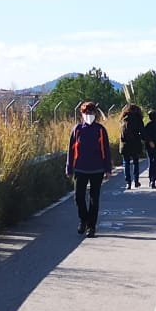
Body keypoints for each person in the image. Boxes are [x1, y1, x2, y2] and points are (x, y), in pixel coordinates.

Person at [65, 101, 113, 236]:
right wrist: (69, 167)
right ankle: (83, 220)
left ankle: (91, 226)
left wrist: (108, 169)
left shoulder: (100, 130)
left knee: (94, 198)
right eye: (86, 112)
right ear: (82, 114)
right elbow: (71, 150)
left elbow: (106, 150)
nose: (89, 115)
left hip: (97, 169)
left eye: (91, 112)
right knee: (78, 197)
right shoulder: (77, 129)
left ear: (95, 114)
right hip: (80, 168)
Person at [118, 104, 147, 189]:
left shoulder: (123, 119)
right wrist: (145, 139)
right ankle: (136, 181)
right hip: (135, 144)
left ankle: (128, 182)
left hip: (125, 144)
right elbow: (142, 132)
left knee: (126, 163)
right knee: (135, 163)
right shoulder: (138, 119)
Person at [141, 109, 156, 188]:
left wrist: (149, 141)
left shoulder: (148, 126)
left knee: (150, 162)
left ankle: (151, 179)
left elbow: (143, 136)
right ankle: (153, 180)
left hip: (149, 146)